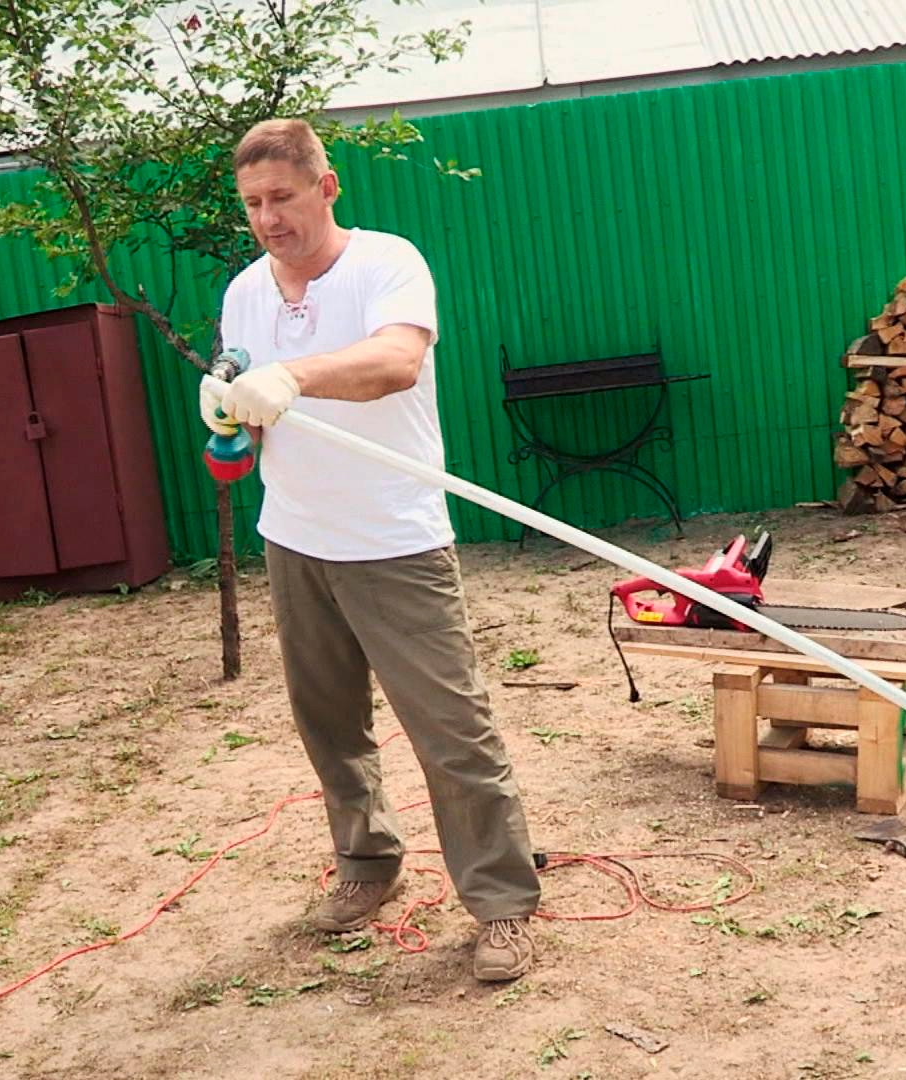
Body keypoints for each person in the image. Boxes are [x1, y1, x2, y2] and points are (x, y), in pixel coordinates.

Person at [199, 118, 540, 982]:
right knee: (330, 726)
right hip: (295, 538)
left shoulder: (387, 263)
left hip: (394, 541)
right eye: (252, 204)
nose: (269, 218)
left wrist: (296, 376)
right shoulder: (244, 292)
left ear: (326, 186)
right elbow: (245, 385)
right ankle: (365, 865)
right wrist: (230, 413)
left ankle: (500, 904)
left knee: (452, 730)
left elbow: (394, 362)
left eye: (281, 196)